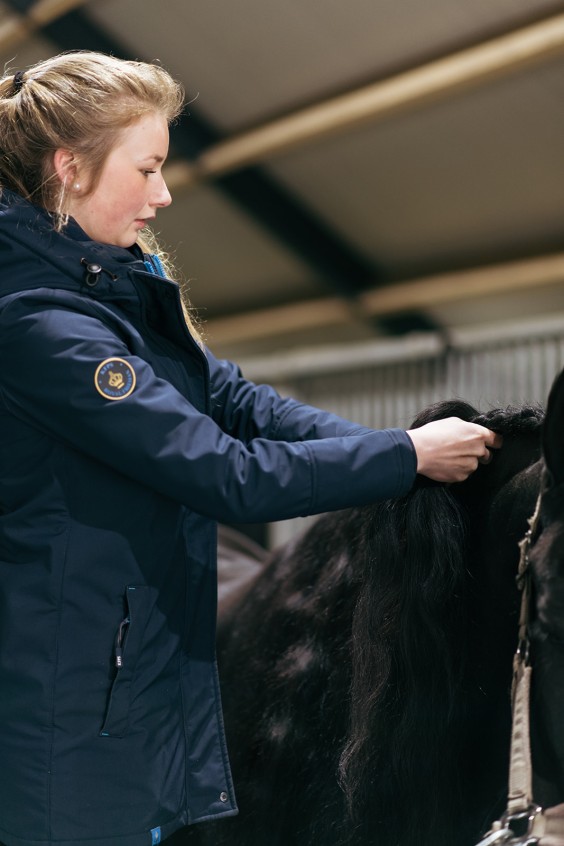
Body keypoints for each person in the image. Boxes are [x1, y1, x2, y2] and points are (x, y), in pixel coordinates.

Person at [0, 51, 501, 846]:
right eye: (149, 168)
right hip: (67, 720)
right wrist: (404, 458)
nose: (163, 195)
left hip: (127, 696)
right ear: (71, 169)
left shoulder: (115, 286)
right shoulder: (43, 326)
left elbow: (236, 400)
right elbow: (224, 473)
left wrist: (394, 444)